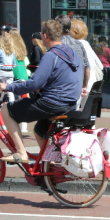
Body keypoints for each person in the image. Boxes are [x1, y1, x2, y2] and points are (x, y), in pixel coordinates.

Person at [0, 20, 84, 164]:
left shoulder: (51, 56)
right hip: (70, 104)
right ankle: (48, 165)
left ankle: (21, 153)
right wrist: (44, 86)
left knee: (6, 109)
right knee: (39, 131)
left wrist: (7, 87)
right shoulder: (72, 53)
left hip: (51, 103)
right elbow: (63, 77)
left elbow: (33, 83)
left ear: (45, 36)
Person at [69, 19, 104, 103]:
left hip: (80, 80)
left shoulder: (74, 44)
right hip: (93, 81)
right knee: (88, 108)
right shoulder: (86, 43)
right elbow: (100, 65)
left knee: (74, 106)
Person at [54, 15, 89, 97]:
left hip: (60, 90)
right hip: (76, 88)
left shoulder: (56, 44)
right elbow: (87, 67)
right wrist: (84, 86)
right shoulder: (79, 44)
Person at [0, 33, 14, 105]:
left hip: (1, 72)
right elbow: (14, 64)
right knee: (10, 91)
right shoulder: (12, 52)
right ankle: (12, 105)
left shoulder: (0, 50)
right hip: (10, 73)